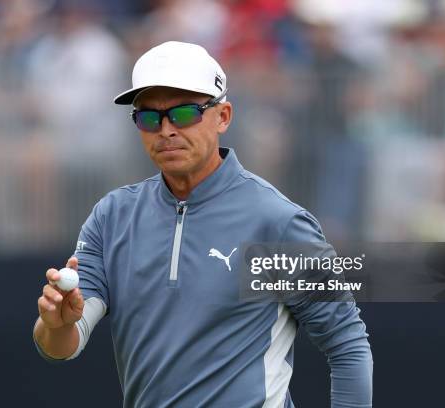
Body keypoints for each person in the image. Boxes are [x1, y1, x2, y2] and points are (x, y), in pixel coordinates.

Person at [33, 41, 373, 407]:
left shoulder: (276, 222)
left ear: (223, 116)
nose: (166, 130)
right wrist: (57, 324)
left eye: (184, 114)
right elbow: (64, 345)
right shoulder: (112, 216)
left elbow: (346, 345)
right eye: (149, 118)